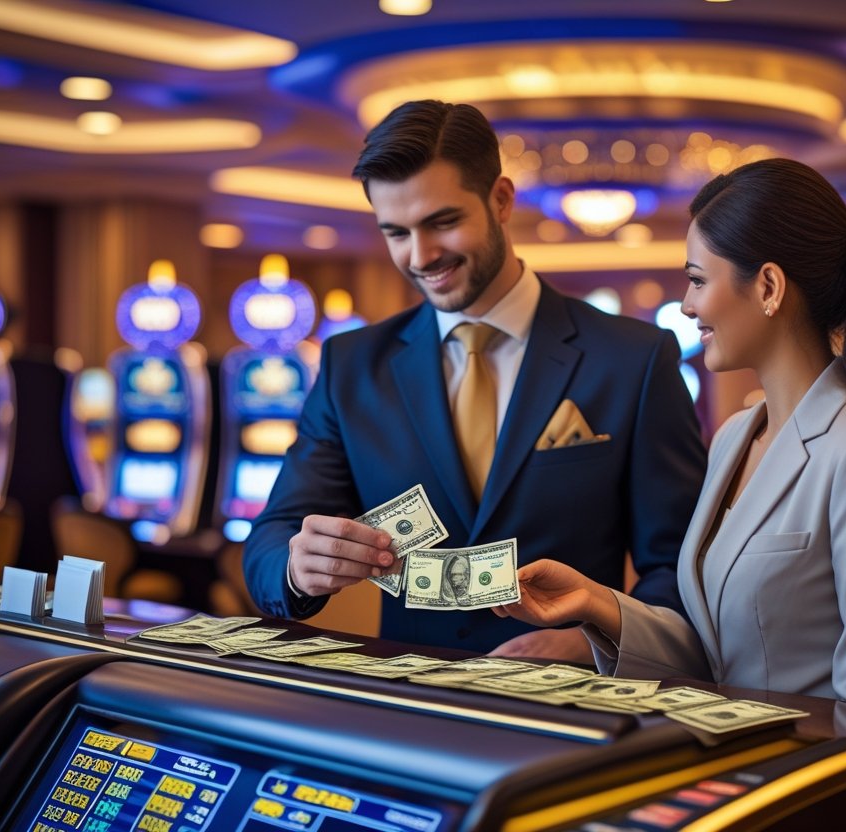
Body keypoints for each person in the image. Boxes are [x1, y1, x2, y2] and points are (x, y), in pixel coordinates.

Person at [243, 100, 708, 658]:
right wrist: (297, 565)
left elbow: (680, 567)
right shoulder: (352, 364)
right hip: (415, 708)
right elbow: (270, 541)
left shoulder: (632, 357)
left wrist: (592, 641)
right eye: (396, 232)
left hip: (577, 706)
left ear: (501, 200)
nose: (421, 255)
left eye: (443, 222)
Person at [497, 158, 846, 707]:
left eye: (696, 280)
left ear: (768, 286)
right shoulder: (733, 438)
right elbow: (716, 658)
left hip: (801, 776)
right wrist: (596, 603)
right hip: (721, 756)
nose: (687, 305)